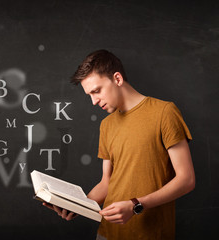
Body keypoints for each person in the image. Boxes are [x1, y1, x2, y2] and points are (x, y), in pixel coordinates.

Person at [43, 49, 195, 240]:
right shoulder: (106, 125)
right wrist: (75, 205)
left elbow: (186, 180)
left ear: (117, 78)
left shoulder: (164, 112)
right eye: (89, 94)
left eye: (96, 91)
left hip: (150, 235)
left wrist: (136, 205)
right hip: (107, 234)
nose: (93, 101)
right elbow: (106, 182)